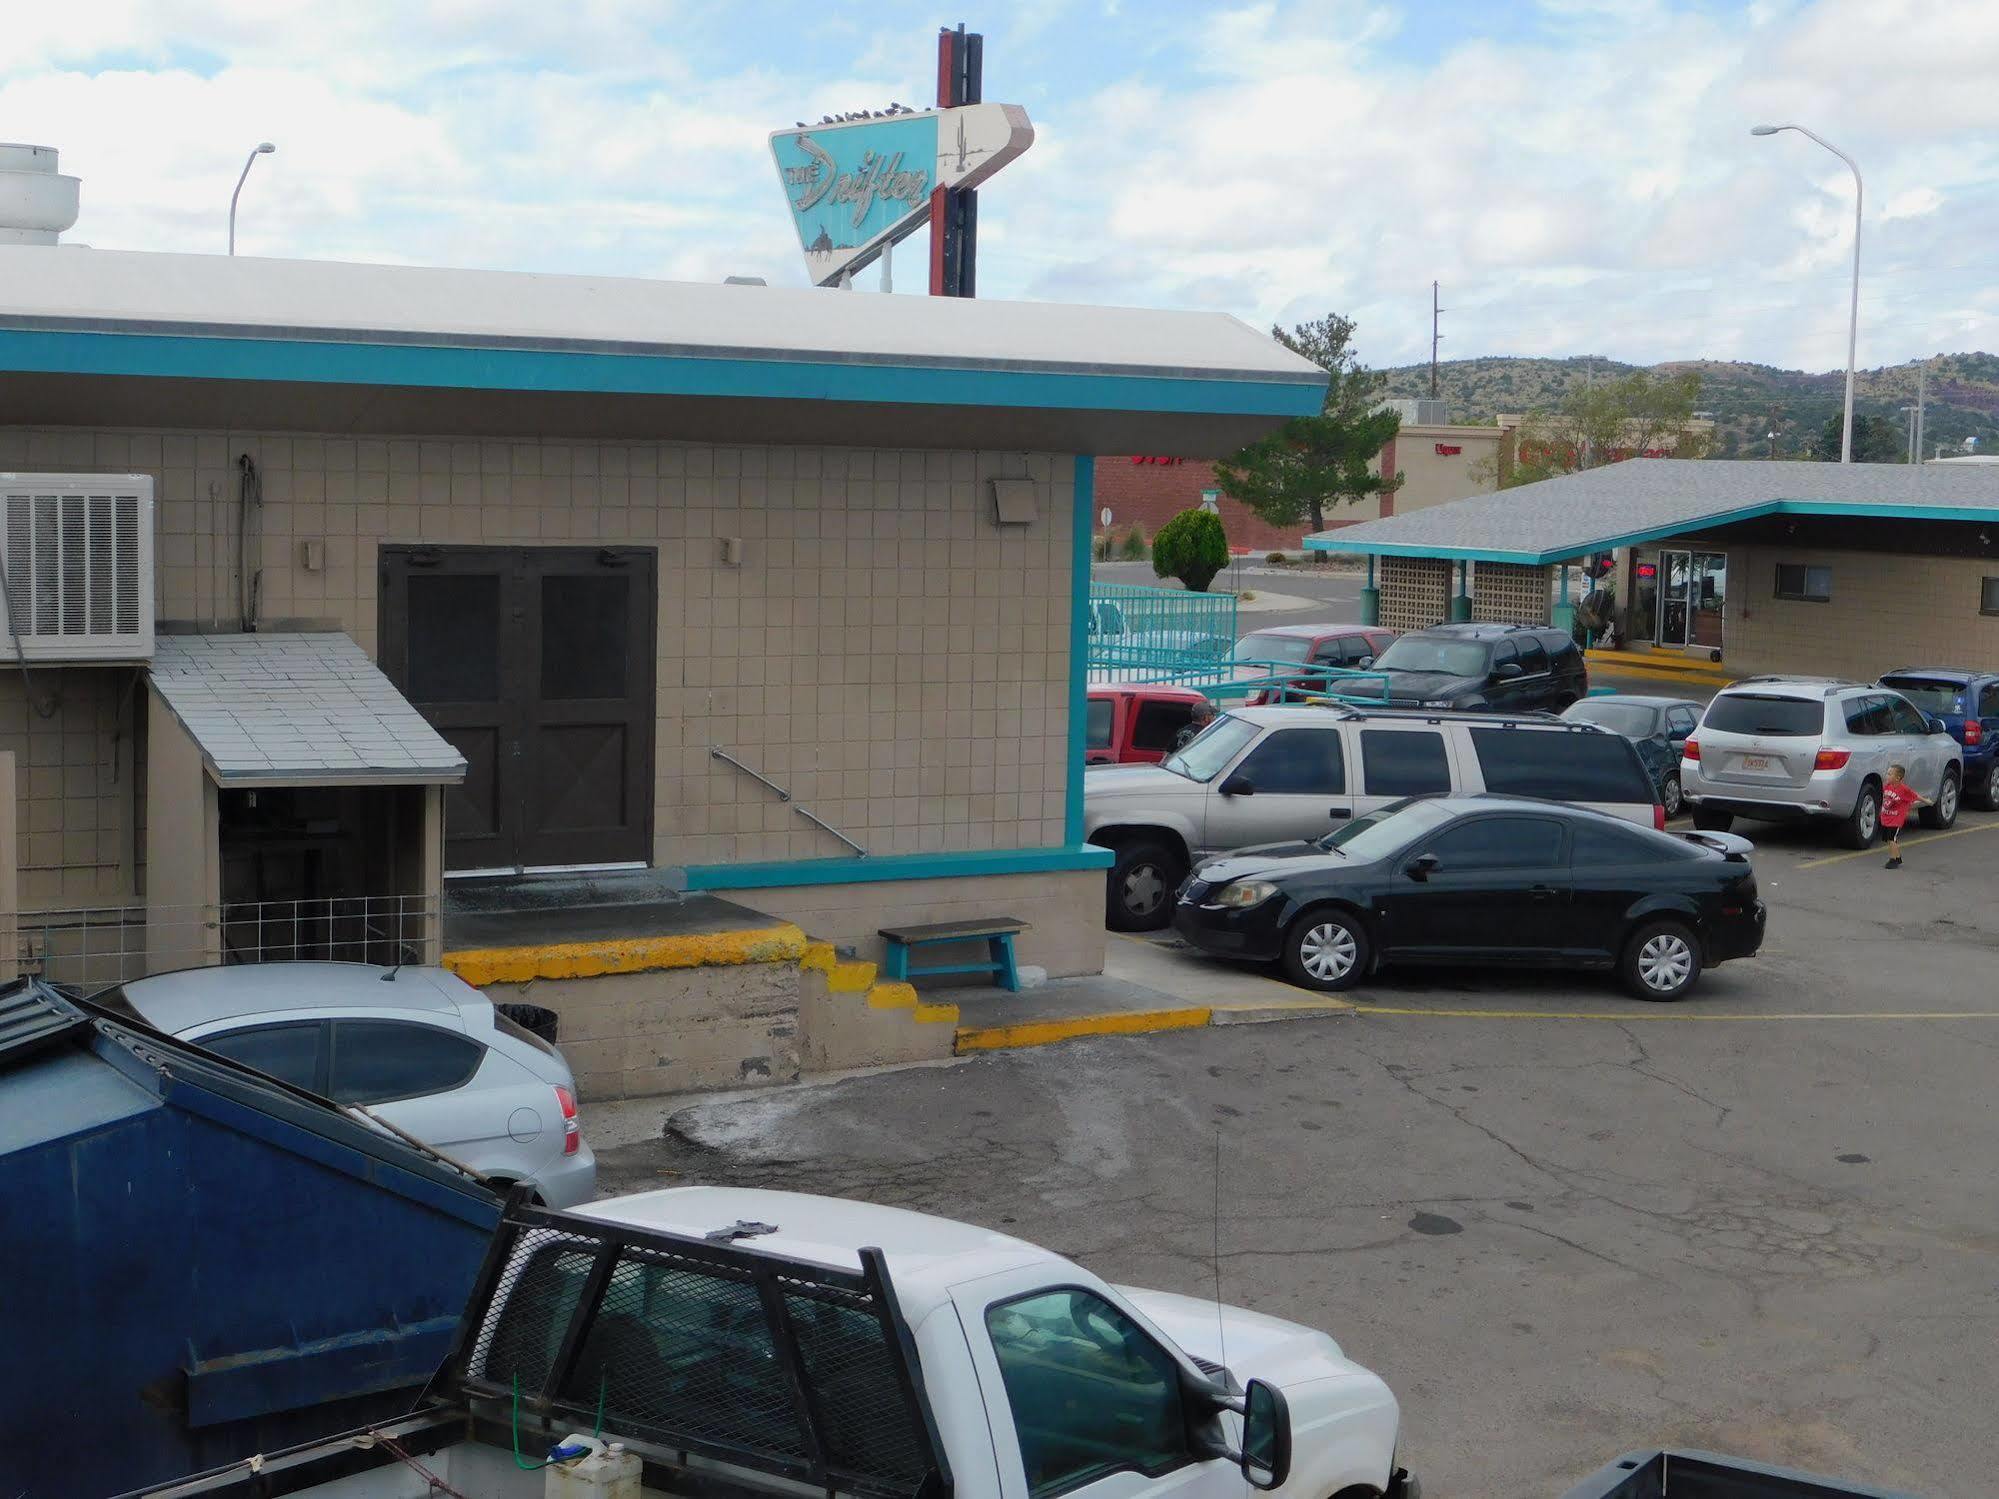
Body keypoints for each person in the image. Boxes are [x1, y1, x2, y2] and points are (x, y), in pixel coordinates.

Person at [1879, 763, 1929, 870]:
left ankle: (1893, 860)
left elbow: (1915, 796)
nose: (1887, 776)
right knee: (1889, 839)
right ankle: (1898, 857)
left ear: (1898, 778)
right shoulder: (1886, 786)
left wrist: (1926, 801)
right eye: (1887, 773)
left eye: (1889, 774)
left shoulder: (1903, 789)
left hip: (1896, 819)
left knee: (1892, 839)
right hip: (1886, 818)